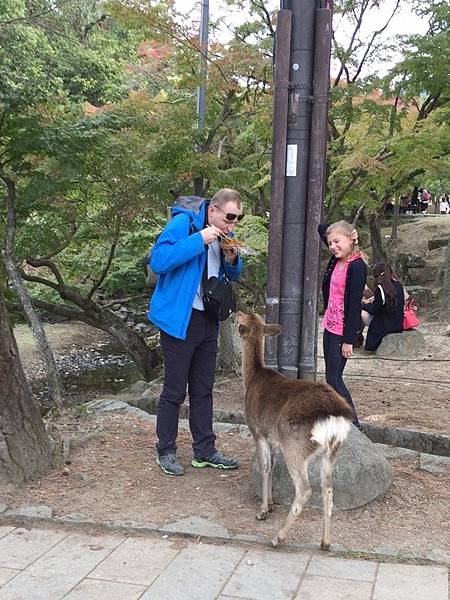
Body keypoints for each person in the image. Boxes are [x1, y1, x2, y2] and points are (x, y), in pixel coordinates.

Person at [148, 189, 243, 475]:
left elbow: (233, 275)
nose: (233, 223)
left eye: (238, 218)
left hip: (208, 319)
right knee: (175, 390)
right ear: (213, 210)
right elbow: (159, 260)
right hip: (180, 317)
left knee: (203, 389)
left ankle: (205, 450)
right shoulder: (184, 224)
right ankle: (166, 450)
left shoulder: (225, 234)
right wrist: (199, 239)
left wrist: (232, 258)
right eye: (229, 216)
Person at [318, 221, 367, 428]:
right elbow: (322, 228)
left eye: (337, 241)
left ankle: (353, 422)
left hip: (342, 330)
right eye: (330, 243)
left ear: (350, 240)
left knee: (334, 377)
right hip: (329, 325)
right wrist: (340, 234)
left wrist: (349, 340)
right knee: (330, 378)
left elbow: (355, 305)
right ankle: (338, 416)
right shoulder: (336, 259)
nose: (333, 246)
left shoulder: (357, 266)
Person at [361, 262, 405, 351]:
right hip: (398, 324)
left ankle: (355, 339)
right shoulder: (398, 285)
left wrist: (364, 305)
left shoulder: (381, 288)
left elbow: (374, 310)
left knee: (358, 312)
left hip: (384, 325)